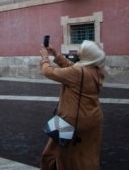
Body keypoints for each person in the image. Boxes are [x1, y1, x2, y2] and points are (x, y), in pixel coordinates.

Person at [39, 40, 105, 170]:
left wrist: (45, 57)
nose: (78, 50)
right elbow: (73, 67)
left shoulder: (78, 73)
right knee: (85, 155)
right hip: (92, 118)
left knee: (54, 155)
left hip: (70, 121)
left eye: (81, 48)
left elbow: (48, 72)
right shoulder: (96, 70)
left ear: (86, 54)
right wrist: (56, 55)